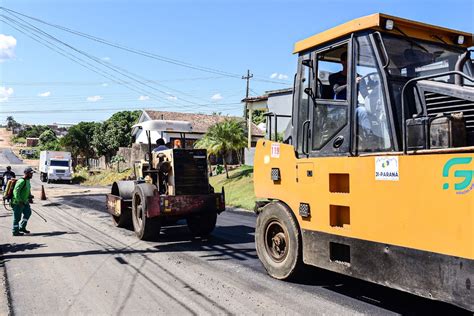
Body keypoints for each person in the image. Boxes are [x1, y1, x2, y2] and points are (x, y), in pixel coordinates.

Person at [11, 167, 34, 236]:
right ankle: (15, 231)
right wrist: (19, 201)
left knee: (28, 213)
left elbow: (28, 190)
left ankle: (22, 227)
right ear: (26, 173)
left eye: (32, 174)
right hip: (18, 202)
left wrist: (30, 196)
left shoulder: (28, 181)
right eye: (30, 173)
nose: (32, 175)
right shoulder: (21, 181)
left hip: (25, 202)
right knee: (17, 218)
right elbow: (16, 192)